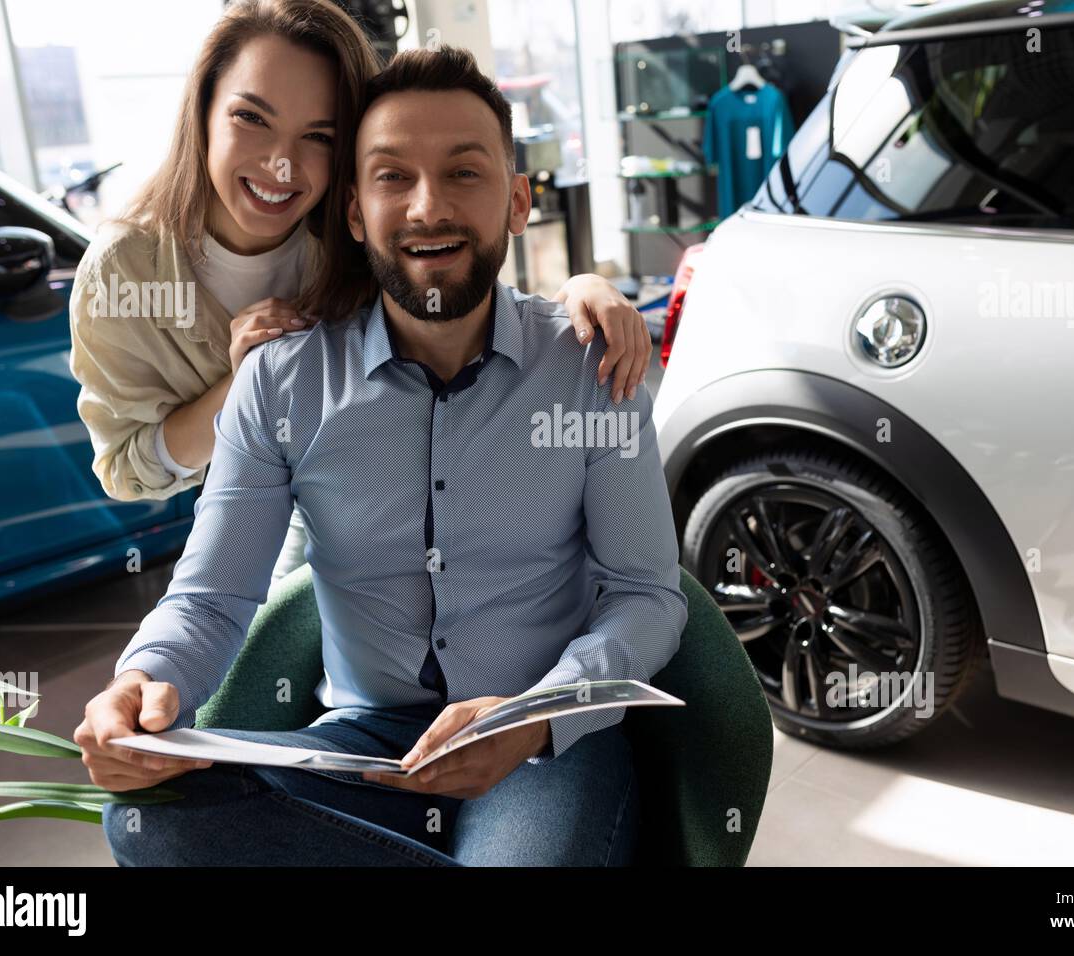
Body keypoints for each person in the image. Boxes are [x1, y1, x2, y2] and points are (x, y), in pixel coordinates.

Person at [73, 43, 687, 867]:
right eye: (394, 176)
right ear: (356, 212)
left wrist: (537, 714)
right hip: (362, 745)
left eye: (463, 173)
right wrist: (141, 678)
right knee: (155, 819)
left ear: (516, 201)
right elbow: (214, 596)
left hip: (540, 742)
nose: (428, 206)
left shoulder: (591, 368)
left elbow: (647, 595)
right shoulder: (280, 385)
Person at [68, 0, 652, 588]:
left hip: (372, 505)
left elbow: (455, 283)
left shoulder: (347, 231)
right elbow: (126, 468)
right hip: (261, 510)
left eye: (318, 136)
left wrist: (578, 289)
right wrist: (243, 392)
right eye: (251, 118)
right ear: (202, 113)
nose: (281, 164)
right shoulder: (123, 272)